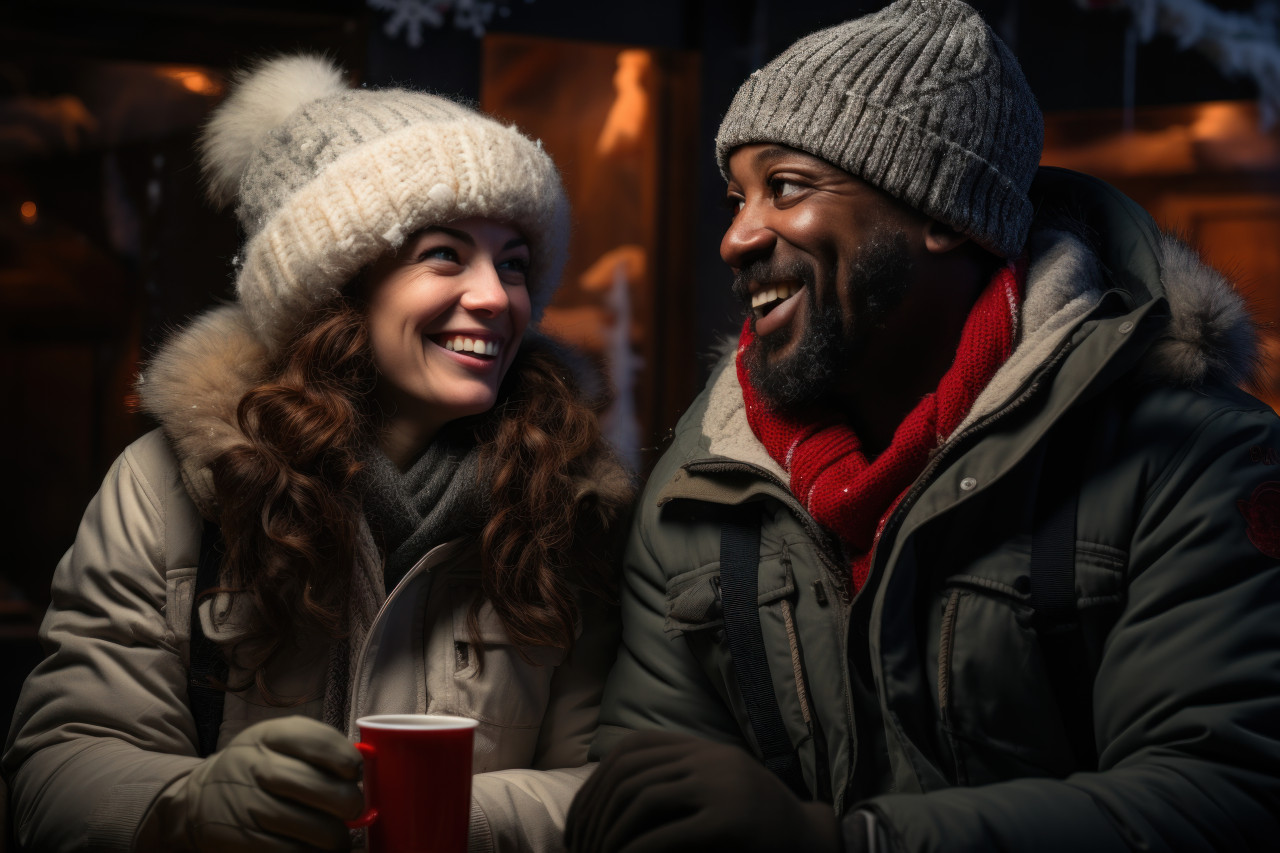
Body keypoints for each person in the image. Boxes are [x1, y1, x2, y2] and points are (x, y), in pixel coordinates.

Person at [564, 1, 1280, 850]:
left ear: (943, 214)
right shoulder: (705, 487)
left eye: (785, 187)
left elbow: (1223, 794)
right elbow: (650, 795)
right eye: (736, 197)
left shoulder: (1192, 459)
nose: (737, 237)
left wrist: (844, 841)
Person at [3, 54, 633, 853]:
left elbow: (610, 785)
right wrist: (187, 809)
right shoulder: (174, 487)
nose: (495, 297)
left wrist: (434, 816)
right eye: (445, 253)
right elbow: (57, 766)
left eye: (513, 262)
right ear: (339, 282)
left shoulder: (568, 504)